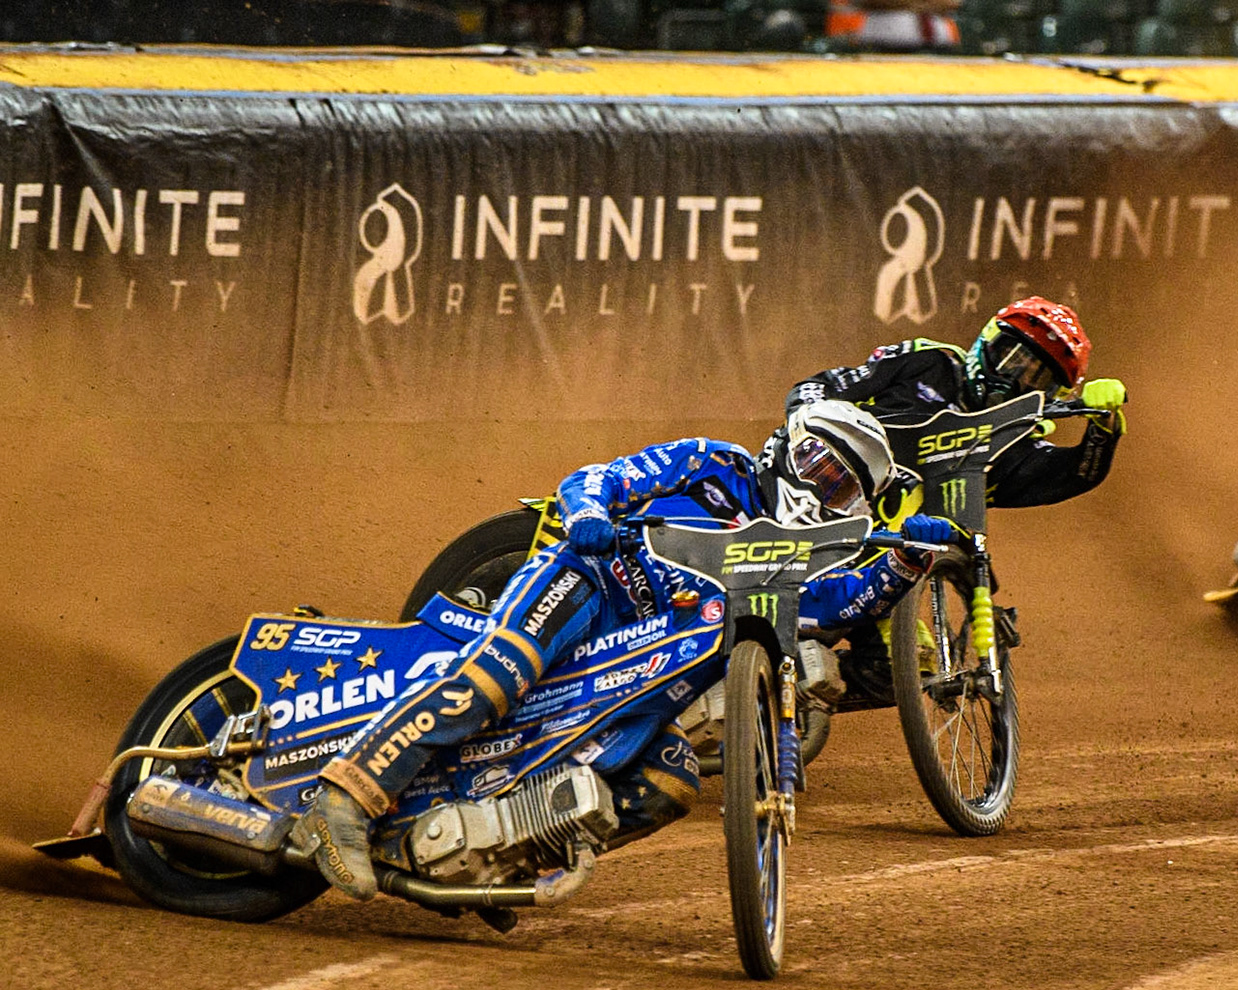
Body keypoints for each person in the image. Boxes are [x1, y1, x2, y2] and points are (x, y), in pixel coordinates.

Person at [295, 401, 963, 902]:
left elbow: (841, 603)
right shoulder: (717, 464)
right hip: (589, 588)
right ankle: (344, 798)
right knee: (498, 673)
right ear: (783, 447)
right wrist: (588, 511)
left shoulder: (801, 563)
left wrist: (905, 561)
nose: (820, 489)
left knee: (670, 777)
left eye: (842, 487)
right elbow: (602, 477)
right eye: (818, 464)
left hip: (647, 674)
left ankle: (497, 863)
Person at [773, 296, 1130, 698]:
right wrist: (812, 428)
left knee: (911, 664)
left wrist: (1104, 425)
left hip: (886, 560)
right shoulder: (931, 362)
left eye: (1037, 379)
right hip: (803, 503)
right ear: (987, 342)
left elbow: (1076, 473)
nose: (1015, 381)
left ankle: (792, 699)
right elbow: (817, 387)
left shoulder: (1011, 446)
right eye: (1012, 359)